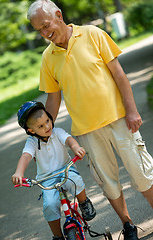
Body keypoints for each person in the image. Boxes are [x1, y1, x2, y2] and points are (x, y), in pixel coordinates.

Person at [27, 1, 153, 239]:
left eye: (45, 25)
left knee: (142, 172)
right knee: (108, 183)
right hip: (87, 131)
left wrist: (132, 110)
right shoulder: (48, 58)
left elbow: (119, 74)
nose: (44, 33)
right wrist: (43, 133)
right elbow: (53, 99)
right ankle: (127, 225)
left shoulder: (93, 34)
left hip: (119, 120)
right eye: (39, 30)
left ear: (58, 15)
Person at [11, 101, 96, 240]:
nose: (47, 126)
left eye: (48, 121)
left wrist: (76, 148)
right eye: (40, 126)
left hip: (66, 170)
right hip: (46, 179)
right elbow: (26, 157)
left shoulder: (57, 132)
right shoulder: (32, 142)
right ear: (31, 131)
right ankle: (57, 236)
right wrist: (19, 172)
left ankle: (84, 203)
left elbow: (69, 140)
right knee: (49, 205)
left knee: (76, 181)